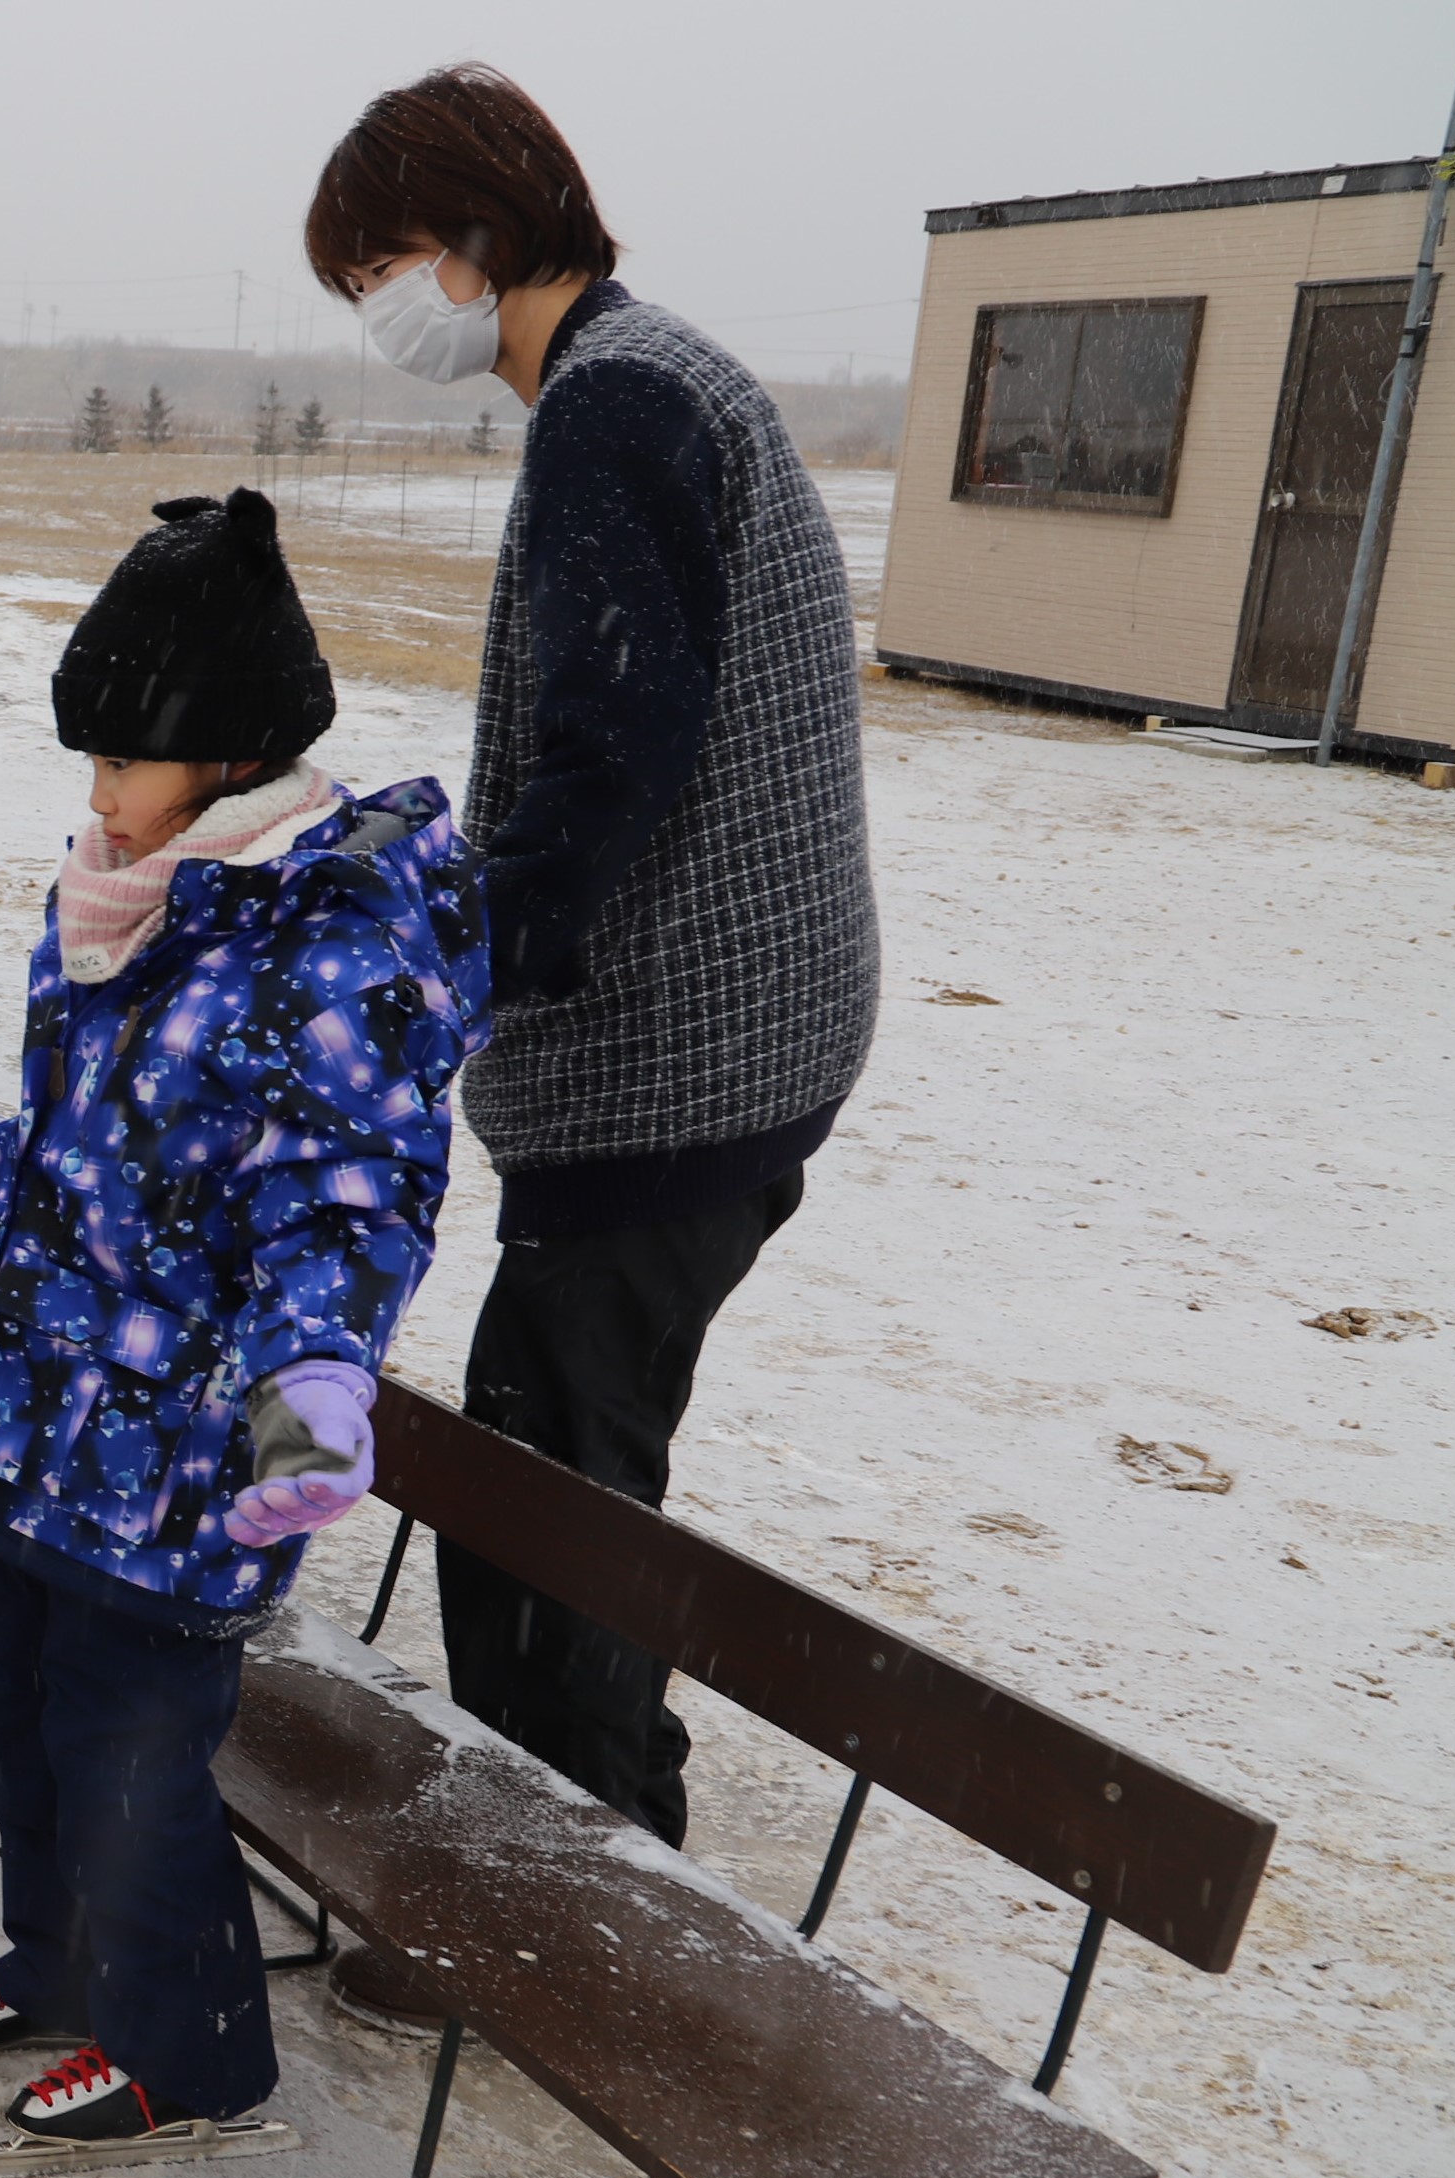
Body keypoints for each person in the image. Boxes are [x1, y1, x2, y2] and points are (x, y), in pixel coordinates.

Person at [0, 491, 488, 2157]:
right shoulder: (135, 899)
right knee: (22, 1707)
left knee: (136, 1757)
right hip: (49, 1415)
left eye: (117, 762)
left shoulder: (322, 944)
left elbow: (343, 1202)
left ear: (225, 755)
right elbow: (89, 1160)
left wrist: (310, 1386)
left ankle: (192, 2044)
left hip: (179, 1457)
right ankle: (62, 1960)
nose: (92, 796)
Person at [304, 64, 879, 2022]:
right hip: (722, 1039)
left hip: (681, 1059)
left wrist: (463, 958)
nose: (377, 312)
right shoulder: (649, 387)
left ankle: (564, 1899)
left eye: (375, 267)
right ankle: (581, 1846)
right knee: (559, 1459)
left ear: (467, 240)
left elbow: (609, 747)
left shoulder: (619, 409)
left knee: (540, 1490)